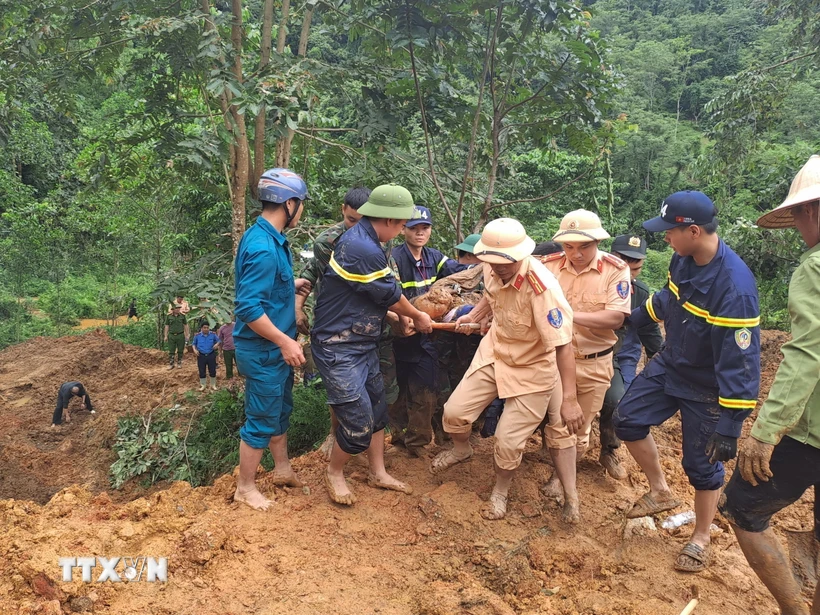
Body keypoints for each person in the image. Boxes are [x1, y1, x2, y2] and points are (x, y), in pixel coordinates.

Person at [614, 190, 761, 572]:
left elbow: (740, 362)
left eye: (669, 232)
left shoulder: (735, 289)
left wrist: (731, 425)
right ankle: (660, 491)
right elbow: (668, 299)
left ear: (693, 231)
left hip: (708, 388)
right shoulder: (683, 260)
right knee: (626, 419)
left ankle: (700, 536)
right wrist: (634, 318)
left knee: (702, 465)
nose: (665, 238)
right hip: (672, 364)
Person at [719, 155, 820, 614]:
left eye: (798, 213)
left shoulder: (814, 269)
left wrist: (765, 429)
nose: (798, 224)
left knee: (743, 504)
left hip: (811, 432)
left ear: (811, 210)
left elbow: (807, 354)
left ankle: (794, 610)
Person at [431, 218, 584, 521]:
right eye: (491, 261)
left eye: (505, 263)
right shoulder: (491, 265)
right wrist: (474, 315)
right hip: (496, 351)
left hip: (533, 366)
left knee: (508, 442)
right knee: (454, 413)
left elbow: (563, 345)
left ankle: (500, 490)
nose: (498, 268)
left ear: (521, 255)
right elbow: (492, 297)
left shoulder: (543, 290)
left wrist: (569, 399)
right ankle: (462, 450)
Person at [310, 184, 433, 506]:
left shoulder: (369, 241)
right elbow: (390, 293)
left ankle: (377, 471)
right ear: (393, 222)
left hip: (362, 341)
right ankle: (335, 472)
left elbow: (377, 294)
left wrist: (397, 317)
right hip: (338, 345)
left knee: (378, 410)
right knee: (359, 419)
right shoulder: (361, 246)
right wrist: (417, 316)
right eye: (404, 223)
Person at [540, 210, 630, 515]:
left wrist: (567, 314)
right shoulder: (548, 267)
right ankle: (561, 476)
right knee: (558, 421)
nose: (576, 254)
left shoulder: (615, 270)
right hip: (553, 360)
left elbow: (615, 317)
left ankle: (565, 473)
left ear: (598, 241)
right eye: (569, 247)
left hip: (594, 362)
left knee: (580, 425)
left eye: (584, 247)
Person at [233, 168, 312, 511]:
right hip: (264, 350)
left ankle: (282, 469)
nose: (302, 210)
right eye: (302, 204)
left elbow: (262, 289)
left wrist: (288, 285)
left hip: (272, 349)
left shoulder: (268, 238)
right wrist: (284, 340)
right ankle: (245, 488)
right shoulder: (264, 247)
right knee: (262, 418)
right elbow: (248, 307)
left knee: (279, 410)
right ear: (290, 203)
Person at [390, 205, 469, 456]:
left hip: (426, 336)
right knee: (396, 390)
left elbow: (460, 271)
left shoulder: (434, 258)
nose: (420, 233)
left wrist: (485, 265)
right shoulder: (394, 257)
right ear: (404, 230)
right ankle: (398, 437)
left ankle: (417, 443)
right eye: (414, 228)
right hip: (397, 334)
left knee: (426, 388)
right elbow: (388, 293)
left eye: (425, 228)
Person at [596, 234, 664, 480]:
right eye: (623, 262)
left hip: (622, 353)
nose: (629, 272)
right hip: (587, 349)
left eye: (636, 267)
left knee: (618, 400)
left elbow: (649, 328)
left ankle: (609, 450)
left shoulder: (640, 292)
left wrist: (661, 355)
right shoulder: (591, 282)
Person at [192, 322, 221, 391]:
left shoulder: (213, 335)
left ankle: (213, 385)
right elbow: (193, 344)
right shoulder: (197, 336)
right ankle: (203, 385)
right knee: (202, 370)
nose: (206, 329)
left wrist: (217, 344)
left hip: (211, 354)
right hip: (201, 355)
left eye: (207, 328)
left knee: (212, 370)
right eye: (204, 328)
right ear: (201, 328)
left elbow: (219, 341)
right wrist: (194, 350)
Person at [164, 304, 190, 370]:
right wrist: (165, 336)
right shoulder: (169, 316)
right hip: (172, 335)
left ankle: (179, 363)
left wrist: (187, 334)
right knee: (171, 350)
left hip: (180, 335)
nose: (178, 309)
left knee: (180, 349)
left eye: (179, 308)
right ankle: (171, 364)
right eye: (176, 308)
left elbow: (185, 325)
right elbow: (167, 326)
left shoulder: (182, 316)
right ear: (173, 309)